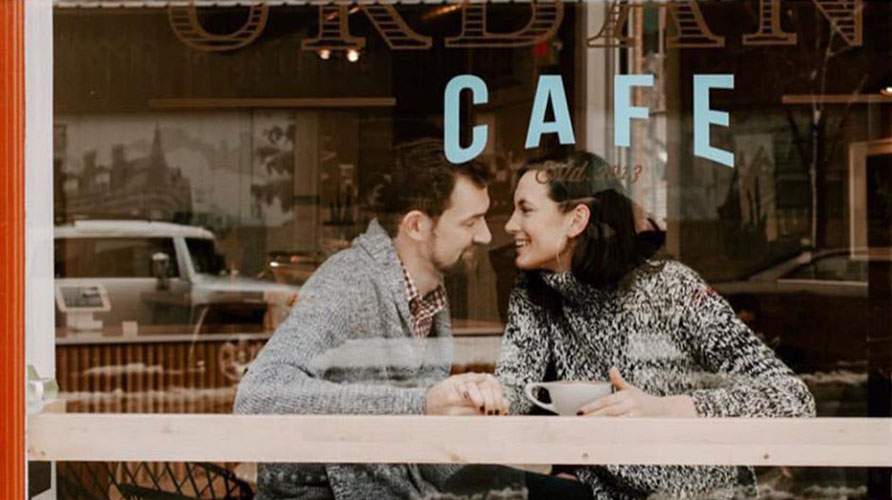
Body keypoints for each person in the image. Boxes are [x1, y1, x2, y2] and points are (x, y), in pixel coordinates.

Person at [494, 151, 816, 499]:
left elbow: (793, 399)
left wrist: (667, 409)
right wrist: (476, 394)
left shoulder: (673, 288)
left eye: (525, 210)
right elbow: (513, 389)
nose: (510, 224)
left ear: (576, 221)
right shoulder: (534, 293)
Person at [234, 138, 508, 500]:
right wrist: (421, 406)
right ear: (415, 226)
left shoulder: (431, 295)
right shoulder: (349, 280)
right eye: (471, 221)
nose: (486, 235)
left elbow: (417, 448)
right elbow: (258, 395)